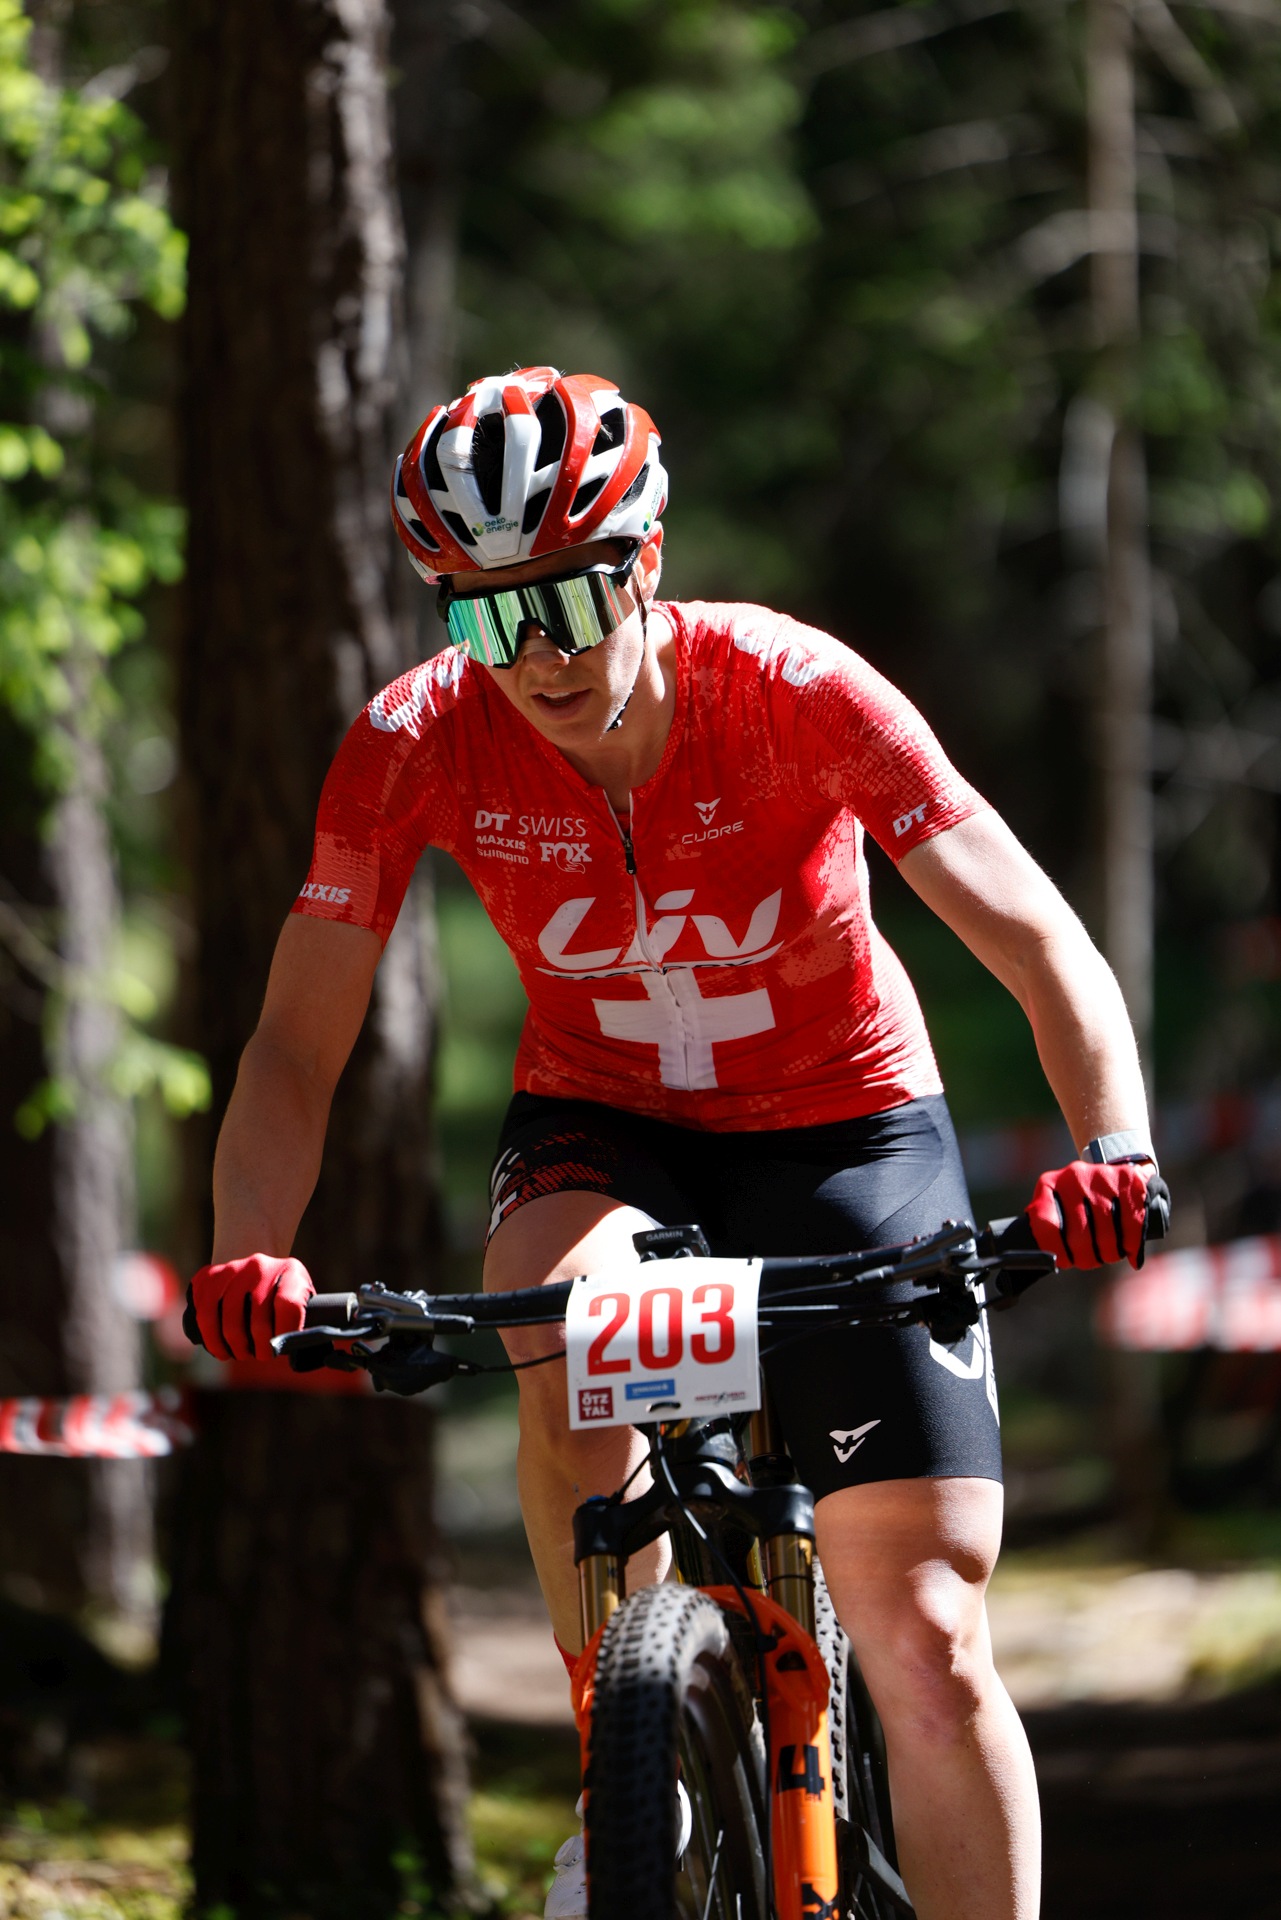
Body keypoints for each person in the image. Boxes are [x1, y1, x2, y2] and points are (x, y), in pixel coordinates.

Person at [192, 366, 1165, 1920]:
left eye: (567, 602)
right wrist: (250, 1250)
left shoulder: (795, 689)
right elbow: (293, 1046)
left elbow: (1037, 941)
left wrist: (1112, 1150)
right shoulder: (414, 738)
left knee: (923, 1630)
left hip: (846, 1125)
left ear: (644, 562)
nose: (536, 657)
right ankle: (626, 1768)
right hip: (605, 1125)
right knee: (556, 1327)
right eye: (486, 618)